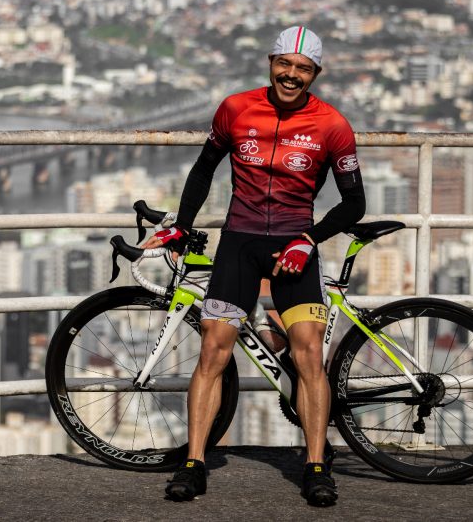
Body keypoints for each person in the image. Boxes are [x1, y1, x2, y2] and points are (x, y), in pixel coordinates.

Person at [142, 26, 366, 507]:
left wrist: (309, 240)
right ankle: (194, 463)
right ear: (270, 62)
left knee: (309, 353)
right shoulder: (235, 108)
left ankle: (316, 466)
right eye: (284, 64)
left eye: (303, 69)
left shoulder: (332, 124)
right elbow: (203, 169)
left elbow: (354, 203)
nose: (292, 75)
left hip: (294, 246)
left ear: (315, 73)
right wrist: (182, 225)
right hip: (239, 244)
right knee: (212, 350)